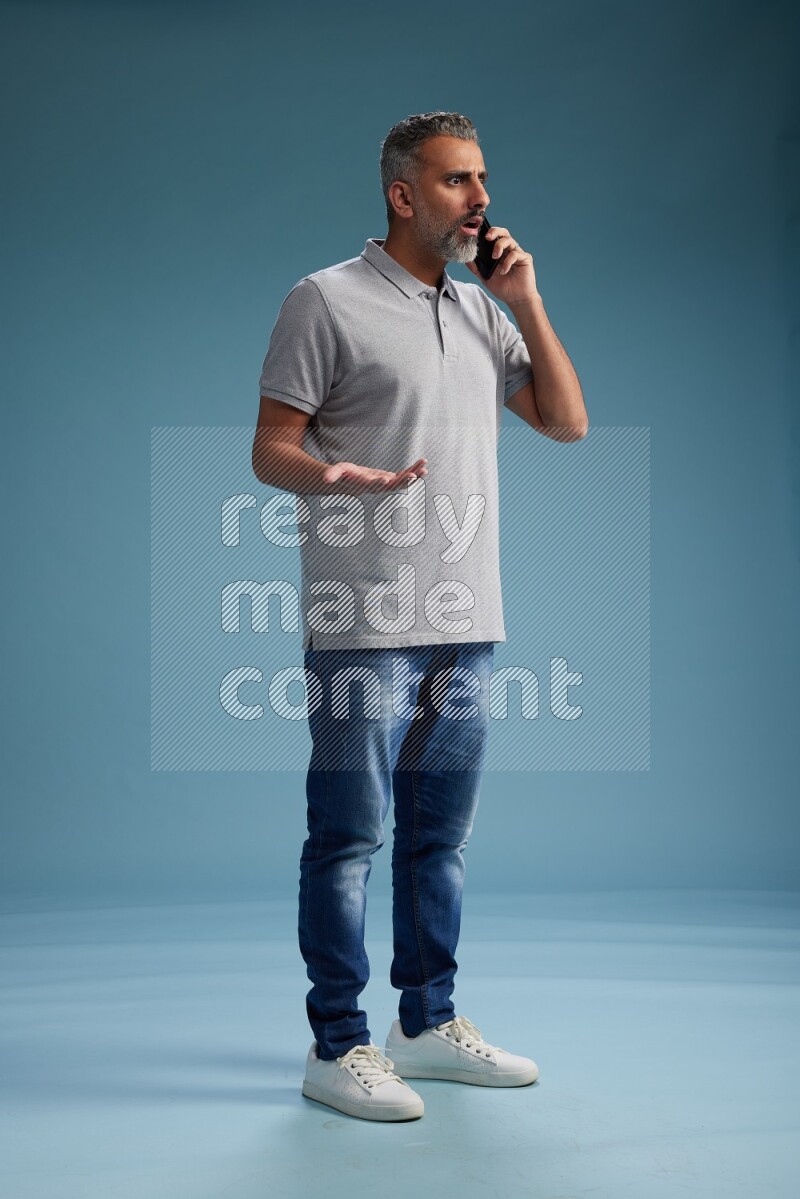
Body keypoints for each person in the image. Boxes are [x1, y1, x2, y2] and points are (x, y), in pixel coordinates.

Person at [252, 111, 587, 1122]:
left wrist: (524, 300)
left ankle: (425, 1021)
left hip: (466, 612)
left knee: (438, 837)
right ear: (402, 194)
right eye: (454, 181)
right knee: (348, 836)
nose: (478, 198)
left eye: (480, 177)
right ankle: (337, 1042)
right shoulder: (325, 300)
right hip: (362, 614)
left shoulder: (483, 312)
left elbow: (565, 421)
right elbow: (269, 447)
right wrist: (329, 473)